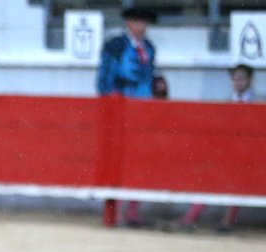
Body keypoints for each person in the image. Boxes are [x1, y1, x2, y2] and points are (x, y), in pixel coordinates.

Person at [169, 64, 257, 233]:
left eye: (242, 78)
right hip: (225, 154)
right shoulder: (225, 103)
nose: (237, 82)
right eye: (235, 78)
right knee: (207, 177)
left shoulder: (258, 103)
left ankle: (227, 220)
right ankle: (191, 218)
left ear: (250, 80)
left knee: (238, 180)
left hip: (248, 156)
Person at [97, 8, 157, 228]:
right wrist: (111, 108)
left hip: (143, 112)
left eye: (145, 22)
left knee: (138, 161)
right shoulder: (115, 46)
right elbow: (104, 80)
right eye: (138, 21)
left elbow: (148, 78)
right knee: (117, 162)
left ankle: (133, 212)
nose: (142, 26)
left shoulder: (149, 47)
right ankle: (114, 213)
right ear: (128, 23)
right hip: (120, 112)